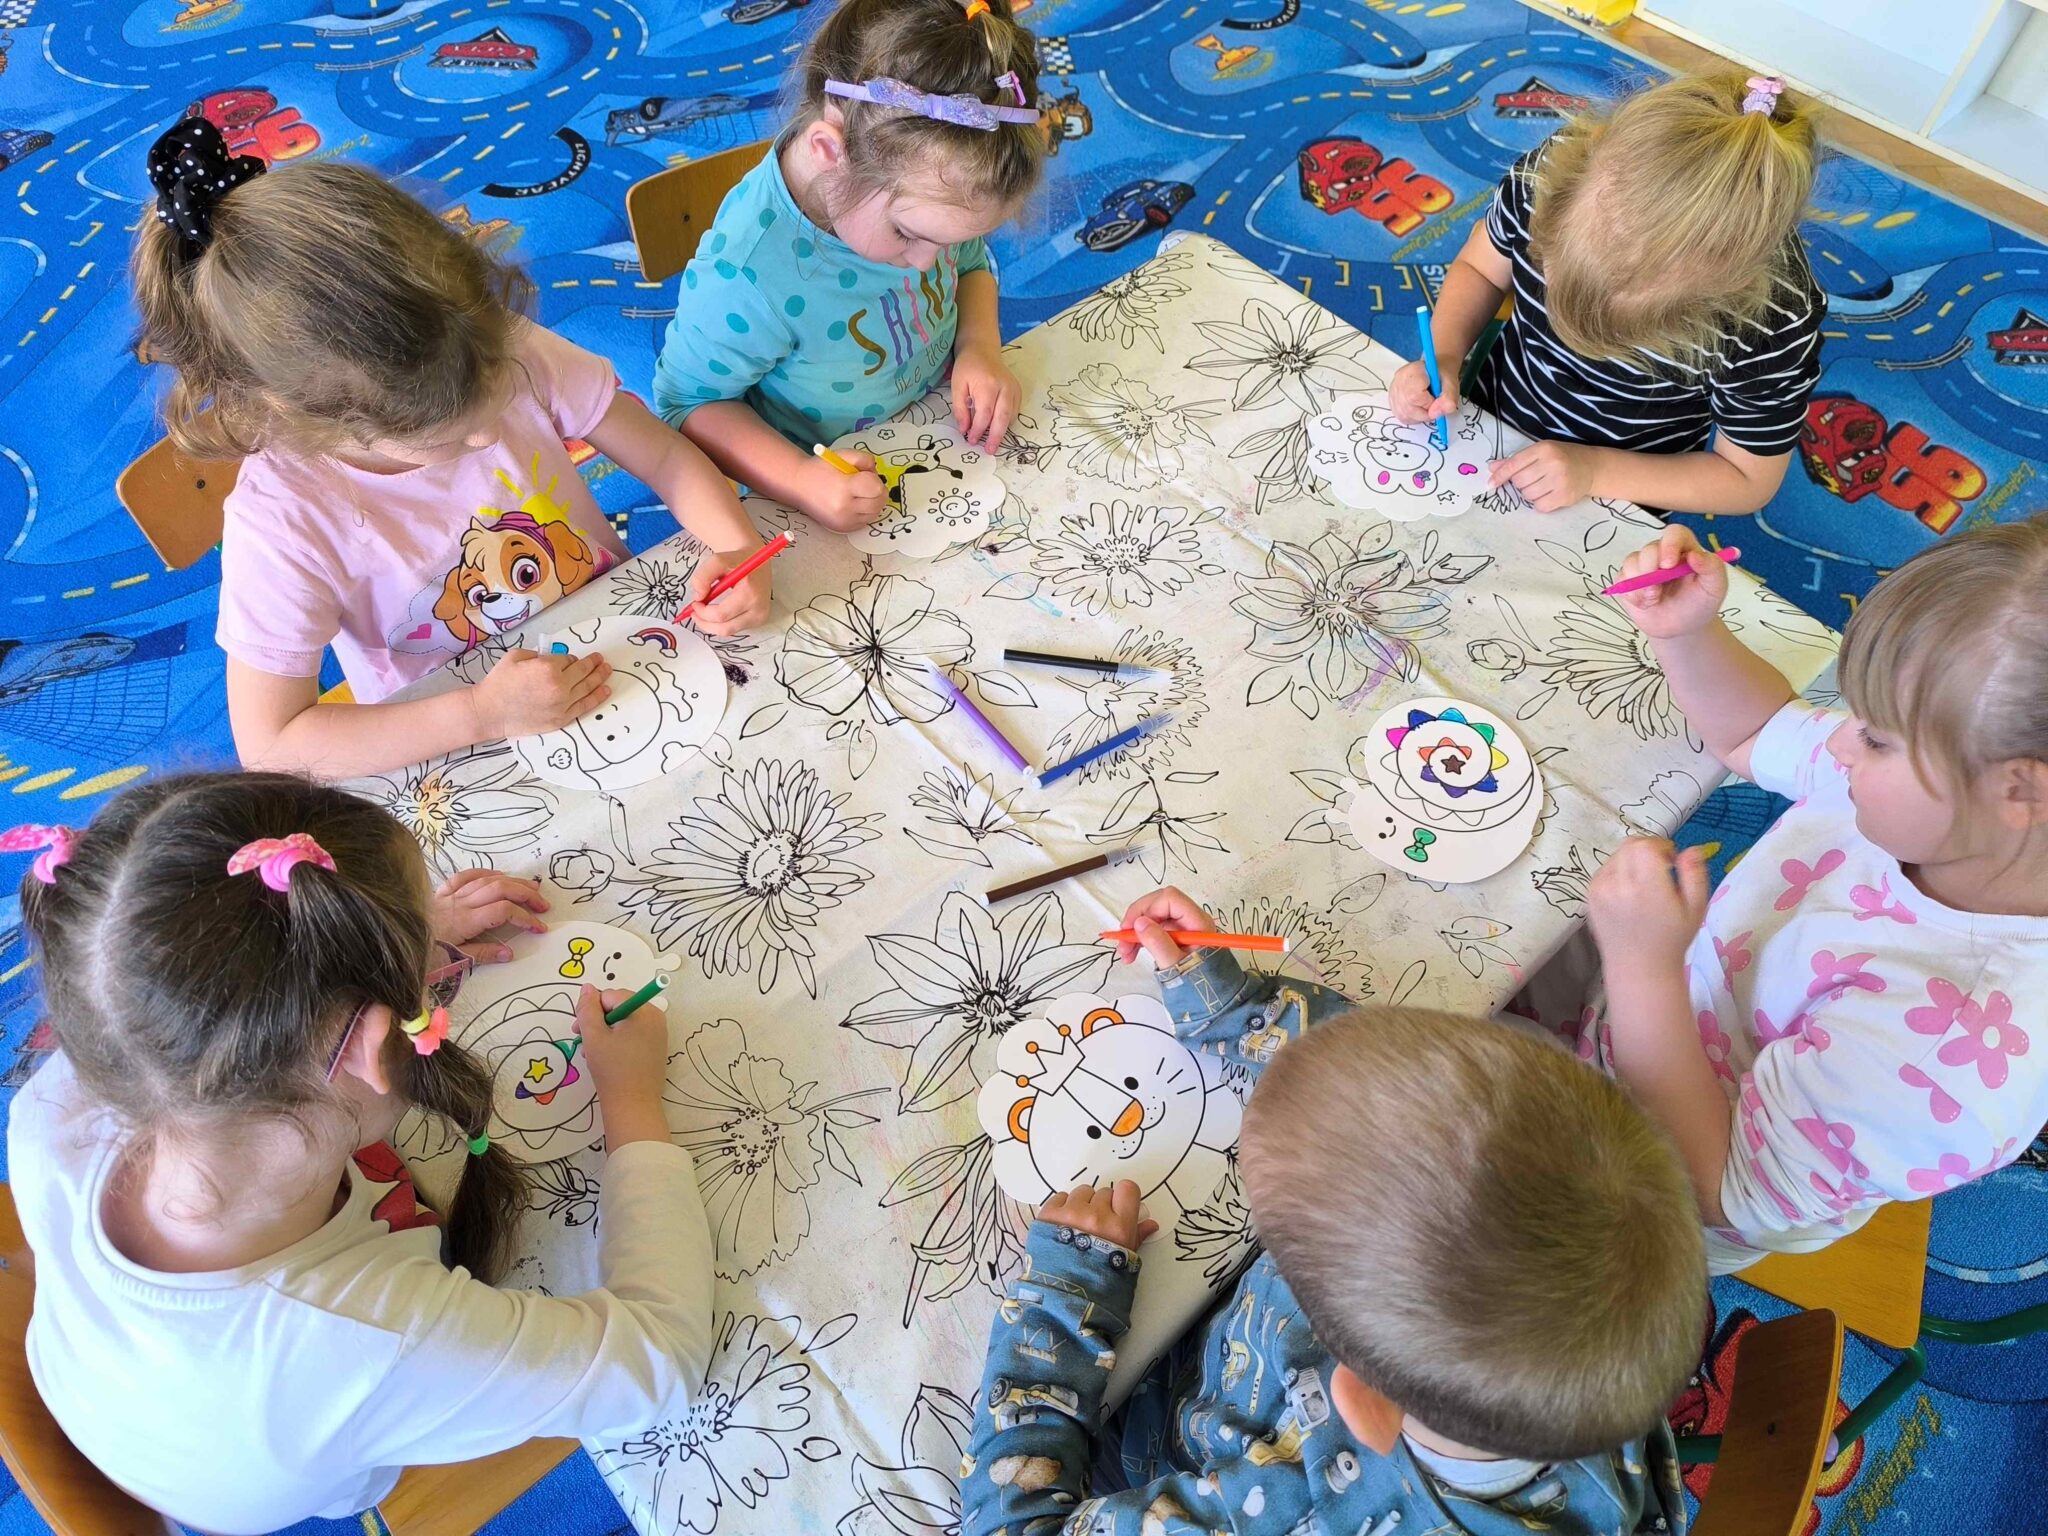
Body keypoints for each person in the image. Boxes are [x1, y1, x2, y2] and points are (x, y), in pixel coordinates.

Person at [3, 775, 711, 1535]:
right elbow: (661, 1361)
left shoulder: (63, 1093)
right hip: (293, 1446)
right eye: (425, 977)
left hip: (127, 1389)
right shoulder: (374, 1342)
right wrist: (631, 1100)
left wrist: (383, 943)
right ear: (375, 1046)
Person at [960, 888, 1706, 1536]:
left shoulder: (1291, 1506)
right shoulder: (1600, 1344)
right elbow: (1415, 1115)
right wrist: (1232, 1003)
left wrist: (1062, 1301)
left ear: (1359, 1399)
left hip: (1169, 1435)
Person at [132, 119, 770, 781]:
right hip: (456, 748)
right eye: (448, 436)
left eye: (492, 391)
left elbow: (664, 457)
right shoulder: (283, 522)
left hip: (614, 648)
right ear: (320, 422)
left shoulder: (494, 344)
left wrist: (735, 546)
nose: (487, 438)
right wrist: (481, 714)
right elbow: (271, 745)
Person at [1572, 516, 2048, 1271]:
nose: (1844, 740)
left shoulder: (1941, 1063)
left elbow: (1712, 1187)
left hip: (1634, 1187)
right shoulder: (1944, 800)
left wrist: (1641, 968)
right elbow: (1757, 731)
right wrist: (1688, 636)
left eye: (1879, 738)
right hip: (1652, 1001)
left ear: (2021, 790)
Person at [654, 0, 1043, 532]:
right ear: (829, 152)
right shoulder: (745, 276)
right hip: (825, 482)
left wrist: (979, 346)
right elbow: (687, 405)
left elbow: (969, 262)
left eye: (947, 241)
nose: (927, 265)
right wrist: (800, 479)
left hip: (931, 425)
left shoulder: (923, 189)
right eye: (908, 235)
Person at [1392, 70, 1823, 516]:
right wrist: (1443, 354)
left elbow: (1745, 480)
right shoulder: (1544, 179)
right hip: (1489, 416)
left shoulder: (1773, 320)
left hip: (1621, 487)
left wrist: (1593, 471)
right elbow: (1479, 269)